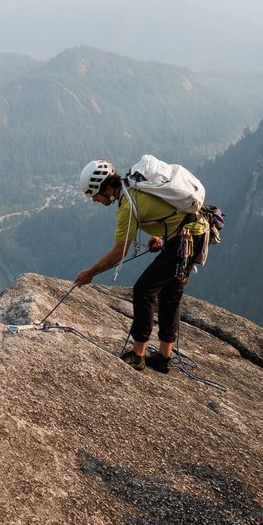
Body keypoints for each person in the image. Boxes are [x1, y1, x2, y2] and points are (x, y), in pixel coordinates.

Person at [71, 158, 204, 373]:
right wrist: (160, 236)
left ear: (105, 188)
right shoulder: (134, 187)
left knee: (144, 290)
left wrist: (91, 273)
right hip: (192, 234)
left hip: (182, 240)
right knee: (170, 294)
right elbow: (164, 210)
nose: (94, 200)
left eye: (93, 194)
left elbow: (119, 252)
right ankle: (163, 356)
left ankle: (138, 354)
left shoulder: (127, 204)